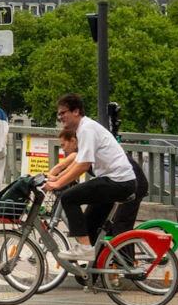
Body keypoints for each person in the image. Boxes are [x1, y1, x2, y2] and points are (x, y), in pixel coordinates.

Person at [44, 92, 137, 257]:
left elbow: (83, 165)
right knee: (88, 225)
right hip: (116, 181)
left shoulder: (86, 129)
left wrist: (58, 185)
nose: (60, 117)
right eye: (59, 114)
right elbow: (78, 161)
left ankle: (85, 250)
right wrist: (57, 178)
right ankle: (91, 273)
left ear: (76, 111)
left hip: (118, 182)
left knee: (68, 198)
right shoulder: (83, 129)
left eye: (63, 113)